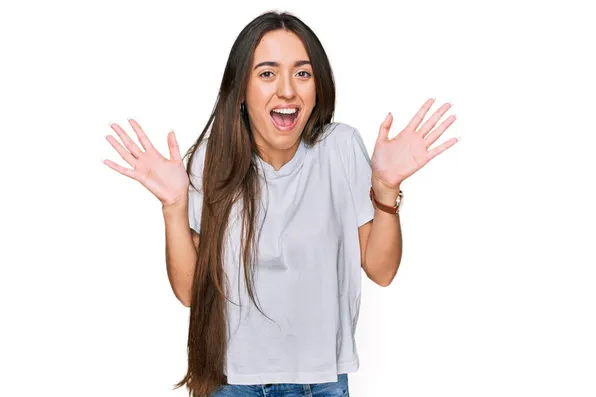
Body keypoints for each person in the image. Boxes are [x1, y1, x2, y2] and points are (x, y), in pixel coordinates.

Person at [103, 10, 459, 397]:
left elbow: (381, 269)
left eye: (302, 73)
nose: (287, 90)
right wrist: (174, 206)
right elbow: (191, 292)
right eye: (267, 73)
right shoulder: (211, 159)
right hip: (229, 383)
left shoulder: (339, 149)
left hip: (319, 383)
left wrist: (386, 188)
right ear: (241, 88)